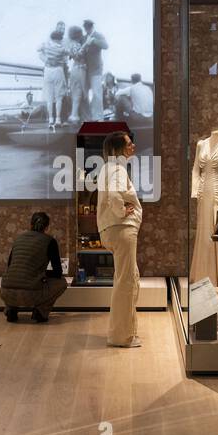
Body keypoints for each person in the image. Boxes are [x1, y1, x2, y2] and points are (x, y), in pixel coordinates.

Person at [97, 131, 142, 347]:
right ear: (119, 149)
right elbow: (114, 194)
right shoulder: (116, 169)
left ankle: (125, 332)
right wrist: (122, 211)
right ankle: (121, 337)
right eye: (129, 143)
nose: (133, 146)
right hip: (122, 228)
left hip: (115, 229)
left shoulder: (108, 168)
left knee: (129, 278)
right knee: (126, 282)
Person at [0, 211, 67, 322]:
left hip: (5, 292)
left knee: (16, 279)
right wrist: (42, 274)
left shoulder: (19, 238)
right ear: (46, 227)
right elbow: (58, 272)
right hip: (31, 294)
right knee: (62, 282)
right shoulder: (50, 241)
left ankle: (11, 309)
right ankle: (40, 312)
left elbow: (10, 266)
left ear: (30, 224)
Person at [37, 29, 70, 128]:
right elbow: (69, 54)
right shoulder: (61, 48)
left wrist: (46, 58)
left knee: (49, 98)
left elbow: (38, 49)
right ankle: (58, 119)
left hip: (47, 70)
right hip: (58, 71)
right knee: (59, 97)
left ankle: (51, 119)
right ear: (59, 39)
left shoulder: (46, 45)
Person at [78, 19, 109, 120]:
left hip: (96, 70)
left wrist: (94, 41)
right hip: (84, 71)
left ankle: (98, 117)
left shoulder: (98, 35)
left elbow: (106, 46)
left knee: (96, 94)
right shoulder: (83, 38)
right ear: (84, 28)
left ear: (92, 26)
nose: (88, 28)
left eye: (90, 26)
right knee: (83, 94)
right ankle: (86, 118)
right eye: (86, 26)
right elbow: (79, 52)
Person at [65, 25, 87, 123]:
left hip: (74, 69)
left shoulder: (70, 44)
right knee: (80, 92)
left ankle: (75, 115)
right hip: (80, 69)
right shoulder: (77, 45)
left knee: (76, 92)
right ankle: (75, 115)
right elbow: (78, 56)